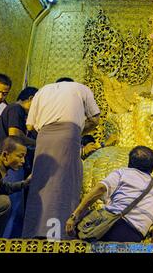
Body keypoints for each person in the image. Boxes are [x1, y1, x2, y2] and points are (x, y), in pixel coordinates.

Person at [22, 78, 100, 239]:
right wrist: (79, 130)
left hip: (44, 137)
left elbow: (29, 126)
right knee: (65, 182)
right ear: (71, 82)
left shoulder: (42, 90)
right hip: (69, 135)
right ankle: (59, 235)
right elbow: (95, 119)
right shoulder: (81, 88)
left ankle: (35, 233)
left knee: (41, 182)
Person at [65, 146, 153, 243]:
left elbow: (100, 188)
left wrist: (75, 215)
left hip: (111, 227)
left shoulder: (123, 173)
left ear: (129, 162)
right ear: (152, 167)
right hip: (135, 236)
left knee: (82, 228)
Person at [0, 86, 38, 238]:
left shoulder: (20, 114)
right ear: (31, 99)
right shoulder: (15, 109)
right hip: (11, 167)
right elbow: (15, 135)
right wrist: (38, 143)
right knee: (13, 208)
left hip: (13, 168)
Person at [0, 136, 30, 237]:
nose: (23, 161)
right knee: (4, 202)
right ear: (5, 155)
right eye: (20, 156)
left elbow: (4, 188)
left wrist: (25, 183)